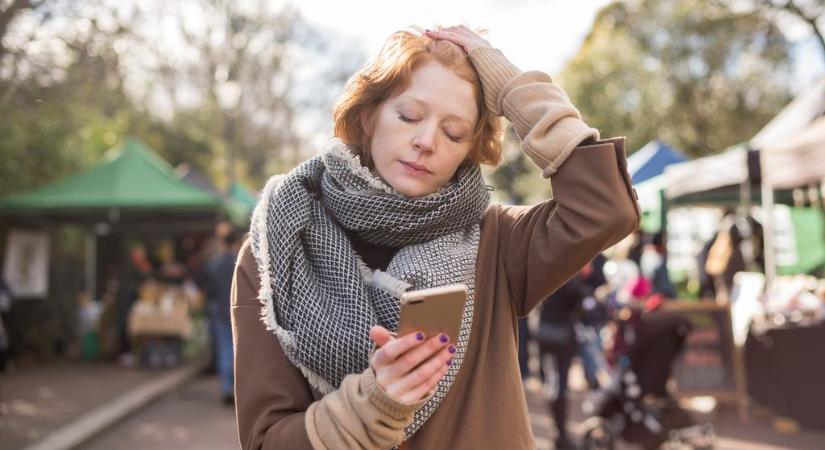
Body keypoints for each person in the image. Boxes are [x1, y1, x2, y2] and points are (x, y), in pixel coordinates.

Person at [232, 25, 640, 449]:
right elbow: (265, 441)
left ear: (470, 150)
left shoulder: (498, 242)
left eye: (454, 133)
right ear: (368, 117)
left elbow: (605, 209)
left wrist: (512, 90)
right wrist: (370, 408)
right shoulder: (279, 246)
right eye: (409, 116)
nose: (426, 141)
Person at [537, 269, 593, 449]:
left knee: (554, 383)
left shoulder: (550, 272)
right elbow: (582, 305)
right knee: (558, 386)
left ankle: (559, 430)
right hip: (559, 336)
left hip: (547, 332)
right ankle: (560, 432)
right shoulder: (570, 276)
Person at [205, 230, 243, 405]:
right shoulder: (240, 262)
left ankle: (227, 388)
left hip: (218, 310)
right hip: (237, 310)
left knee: (224, 349)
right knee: (238, 349)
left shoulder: (214, 264)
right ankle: (238, 389)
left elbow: (208, 289)